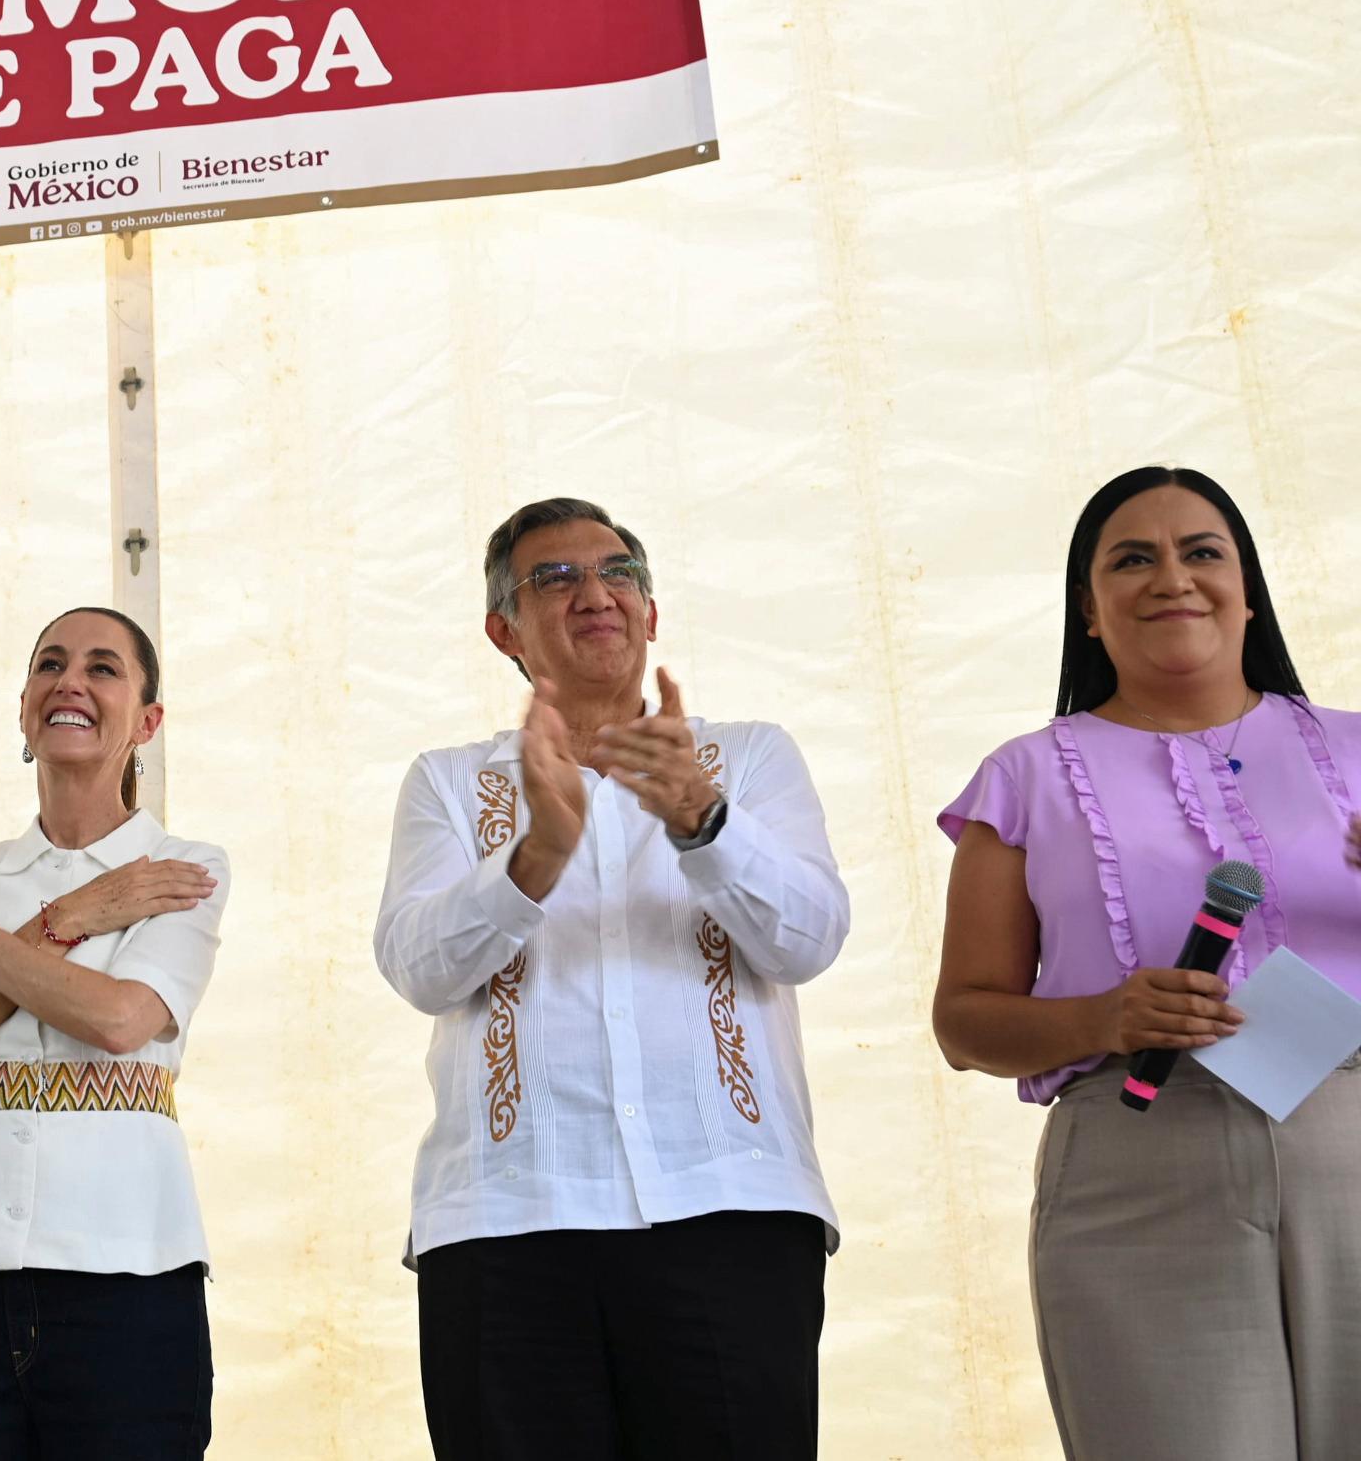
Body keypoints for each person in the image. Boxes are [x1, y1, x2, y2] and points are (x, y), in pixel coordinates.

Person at [376, 497, 850, 1460]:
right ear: (503, 630)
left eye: (618, 573)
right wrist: (539, 852)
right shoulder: (450, 781)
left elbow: (806, 940)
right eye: (555, 578)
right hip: (509, 1220)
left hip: (733, 1209)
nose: (596, 593)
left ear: (652, 612)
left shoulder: (746, 758)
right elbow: (420, 966)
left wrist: (699, 817)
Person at [932, 465, 1361, 1459]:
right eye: (1132, 558)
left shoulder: (1355, 748)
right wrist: (1104, 1017)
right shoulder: (1023, 776)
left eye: (1201, 551)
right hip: (1139, 1162)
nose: (1171, 576)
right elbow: (962, 1021)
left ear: (1247, 588)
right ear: (1088, 610)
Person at [0, 606, 228, 1459]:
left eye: (103, 667)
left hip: (130, 1267)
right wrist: (78, 916)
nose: (70, 681)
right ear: (25, 708)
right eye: (50, 664)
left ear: (147, 721)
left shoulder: (185, 869)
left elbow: (120, 1019)